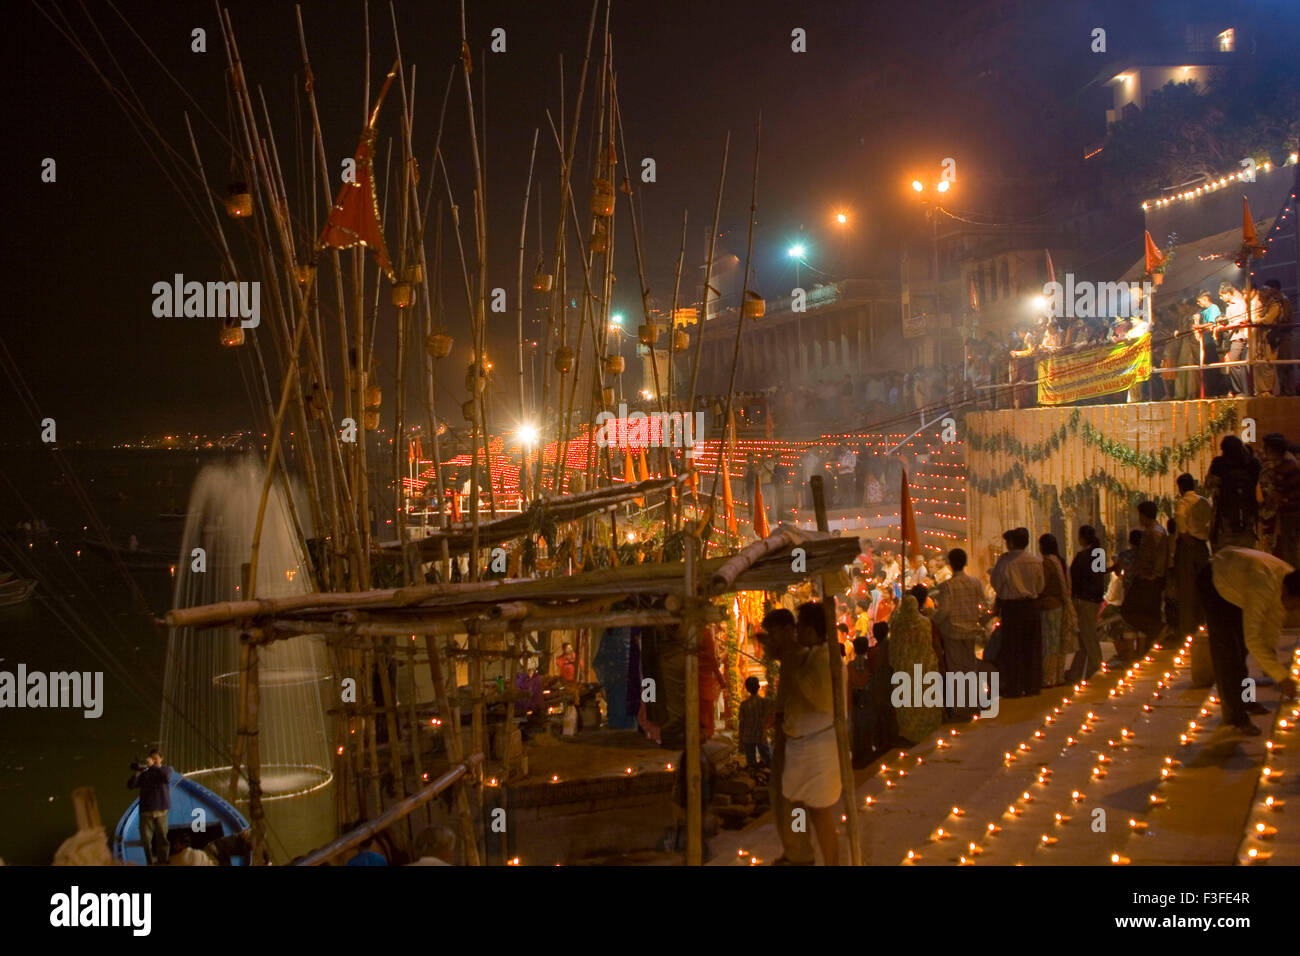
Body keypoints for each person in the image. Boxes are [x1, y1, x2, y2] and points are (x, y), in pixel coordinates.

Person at [756, 607, 841, 866]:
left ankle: (814, 858)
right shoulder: (802, 655)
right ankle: (798, 852)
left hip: (813, 746)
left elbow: (819, 698)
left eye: (774, 633)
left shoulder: (814, 658)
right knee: (792, 801)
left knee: (816, 812)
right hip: (797, 741)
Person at [1198, 547, 1300, 735]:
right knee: (1228, 654)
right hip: (1215, 581)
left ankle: (1247, 699)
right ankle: (1236, 718)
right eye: (1296, 605)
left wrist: (1269, 659)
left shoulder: (1286, 577)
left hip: (1238, 580)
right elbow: (1253, 638)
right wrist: (1281, 676)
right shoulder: (1263, 586)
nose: (1295, 611)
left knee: (1243, 653)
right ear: (1287, 593)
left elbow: (1273, 623)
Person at [989, 528, 1045, 698]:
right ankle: (1032, 685)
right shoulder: (1035, 561)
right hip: (1031, 607)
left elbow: (997, 584)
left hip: (1012, 609)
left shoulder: (1006, 562)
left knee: (1012, 649)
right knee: (1031, 647)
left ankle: (1014, 686)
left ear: (1011, 543)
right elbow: (1040, 585)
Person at [1172, 474, 1215, 685]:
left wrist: (1184, 536)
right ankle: (1204, 629)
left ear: (1181, 487)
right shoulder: (1204, 501)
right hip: (1202, 547)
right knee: (1204, 591)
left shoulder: (1183, 502)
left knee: (1187, 593)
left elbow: (1180, 519)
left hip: (1189, 547)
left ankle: (1187, 635)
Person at [933, 548, 985, 718]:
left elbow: (944, 611)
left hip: (953, 632)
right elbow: (984, 606)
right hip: (971, 631)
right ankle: (974, 703)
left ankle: (960, 709)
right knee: (970, 667)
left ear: (951, 564)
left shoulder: (947, 586)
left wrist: (933, 620)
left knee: (956, 671)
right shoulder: (976, 583)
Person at [888, 591, 941, 743]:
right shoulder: (925, 622)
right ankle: (927, 732)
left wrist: (894, 662)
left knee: (909, 703)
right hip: (924, 667)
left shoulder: (897, 623)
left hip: (905, 669)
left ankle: (909, 734)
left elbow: (894, 646)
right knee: (924, 701)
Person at [1121, 501, 1169, 654]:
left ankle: (1158, 630)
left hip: (1149, 579)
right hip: (1149, 577)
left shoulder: (1155, 532)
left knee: (1129, 610)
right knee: (1149, 612)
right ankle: (1152, 646)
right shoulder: (1152, 531)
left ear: (1143, 515)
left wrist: (1153, 574)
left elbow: (1160, 556)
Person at [1037, 533, 1079, 689]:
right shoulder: (1061, 562)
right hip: (1061, 604)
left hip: (1050, 606)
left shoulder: (1047, 563)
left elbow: (1041, 585)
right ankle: (1059, 676)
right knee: (1061, 642)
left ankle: (1049, 678)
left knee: (1050, 642)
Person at [1066, 526, 1106, 682]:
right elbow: (1099, 577)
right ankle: (1077, 672)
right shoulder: (1097, 554)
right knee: (1084, 637)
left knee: (1088, 636)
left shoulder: (1084, 556)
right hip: (1092, 599)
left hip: (1085, 600)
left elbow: (1080, 579)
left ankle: (1096, 667)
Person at [1205, 435, 1260, 549]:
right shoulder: (1252, 464)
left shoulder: (1218, 464)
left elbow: (1209, 485)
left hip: (1225, 516)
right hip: (1248, 515)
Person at [1259, 432, 1300, 567]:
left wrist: (1272, 495)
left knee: (1290, 545)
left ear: (1273, 449)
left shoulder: (1285, 466)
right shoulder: (1286, 462)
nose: (1264, 451)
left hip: (1291, 511)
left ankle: (1293, 575)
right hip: (1290, 510)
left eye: (1266, 448)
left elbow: (1280, 493)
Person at [127, 749, 173, 865]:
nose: (152, 760)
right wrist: (138, 772)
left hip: (161, 810)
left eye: (155, 758)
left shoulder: (166, 769)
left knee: (162, 838)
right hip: (146, 811)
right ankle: (150, 862)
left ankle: (163, 861)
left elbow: (166, 777)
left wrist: (154, 767)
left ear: (161, 759)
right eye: (151, 758)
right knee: (146, 840)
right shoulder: (145, 773)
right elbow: (131, 785)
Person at [1219, 281, 1256, 396]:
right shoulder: (1229, 307)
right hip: (1233, 337)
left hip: (1240, 336)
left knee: (1235, 363)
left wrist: (1232, 325)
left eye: (1222, 295)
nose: (1221, 298)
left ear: (1228, 293)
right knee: (1236, 364)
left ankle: (1241, 390)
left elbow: (1244, 319)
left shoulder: (1241, 303)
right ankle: (1240, 390)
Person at [1261, 279, 1296, 396]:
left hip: (1284, 336)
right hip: (1280, 337)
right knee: (1281, 365)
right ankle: (1284, 390)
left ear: (1274, 289)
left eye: (1268, 289)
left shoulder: (1282, 301)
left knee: (1286, 364)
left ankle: (1289, 391)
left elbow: (1285, 318)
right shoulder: (1278, 301)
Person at [737, 675, 774, 768]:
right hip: (761, 735)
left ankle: (753, 778)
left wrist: (740, 740)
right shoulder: (766, 702)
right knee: (768, 761)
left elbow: (742, 723)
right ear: (758, 687)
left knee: (751, 764)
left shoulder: (744, 705)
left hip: (747, 736)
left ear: (747, 689)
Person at [847, 636, 873, 765]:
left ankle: (858, 753)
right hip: (867, 697)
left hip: (855, 698)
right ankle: (867, 752)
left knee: (856, 726)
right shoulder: (870, 664)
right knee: (867, 724)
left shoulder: (850, 666)